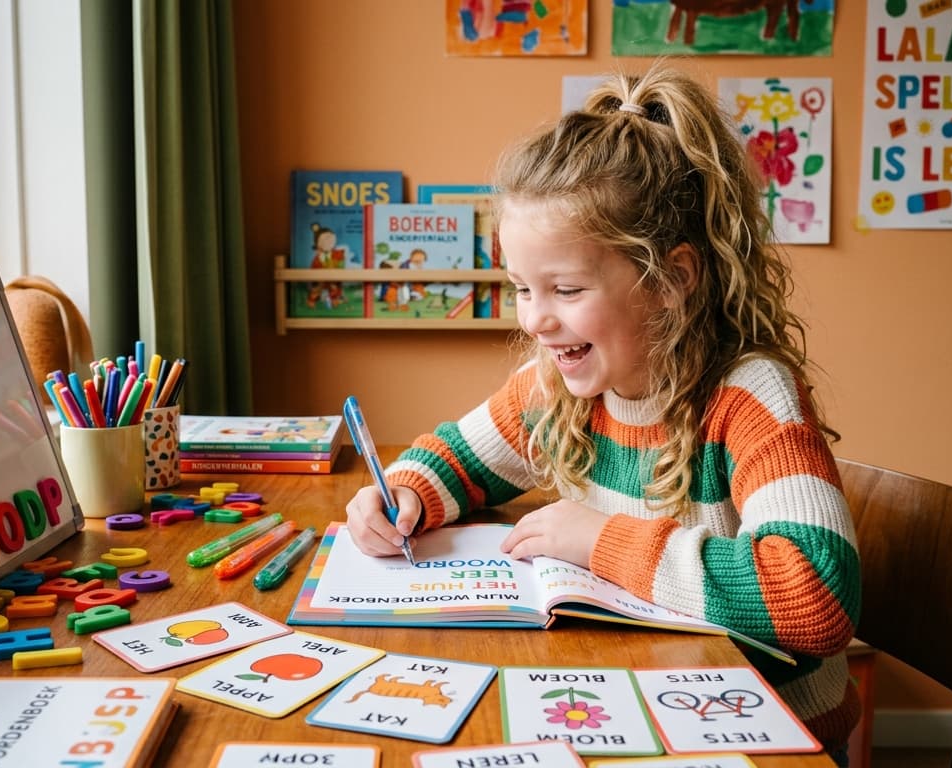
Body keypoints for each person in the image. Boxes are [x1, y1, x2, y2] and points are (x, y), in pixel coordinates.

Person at [344, 65, 861, 761]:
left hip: (765, 734)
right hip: (634, 699)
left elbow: (816, 595)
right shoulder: (560, 388)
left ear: (673, 278)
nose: (537, 319)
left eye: (565, 288)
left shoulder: (750, 396)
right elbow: (457, 458)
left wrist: (601, 542)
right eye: (523, 288)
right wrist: (402, 493)